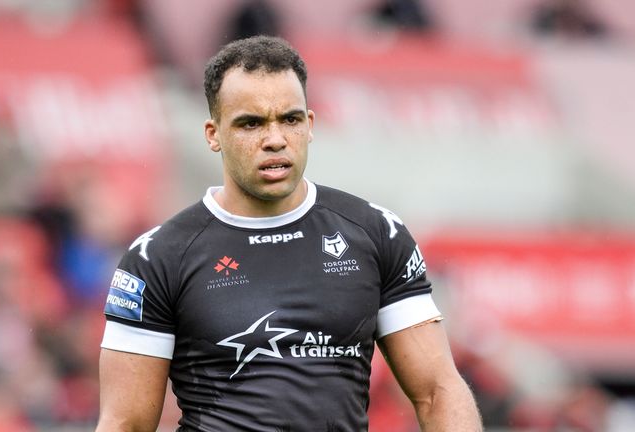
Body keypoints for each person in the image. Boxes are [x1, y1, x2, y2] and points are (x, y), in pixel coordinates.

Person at [96, 35, 482, 431]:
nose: (275, 139)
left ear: (310, 125)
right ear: (213, 134)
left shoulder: (376, 233)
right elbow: (126, 423)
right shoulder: (157, 258)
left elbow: (438, 391)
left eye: (290, 119)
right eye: (251, 123)